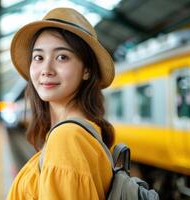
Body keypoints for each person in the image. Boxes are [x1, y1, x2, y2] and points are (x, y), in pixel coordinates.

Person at [7, 7, 116, 199]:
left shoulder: (67, 138)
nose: (46, 69)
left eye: (62, 57)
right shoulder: (80, 132)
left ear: (86, 70)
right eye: (38, 57)